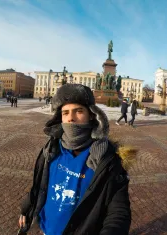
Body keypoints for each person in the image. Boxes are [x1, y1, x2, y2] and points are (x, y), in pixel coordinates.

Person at [18, 84, 131, 235]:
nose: (70, 118)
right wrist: (26, 209)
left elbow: (118, 211)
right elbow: (39, 185)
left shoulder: (105, 159)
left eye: (78, 111)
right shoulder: (51, 149)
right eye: (65, 113)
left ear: (91, 115)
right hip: (46, 229)